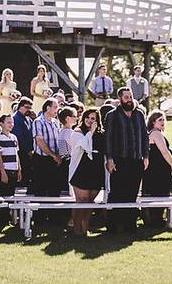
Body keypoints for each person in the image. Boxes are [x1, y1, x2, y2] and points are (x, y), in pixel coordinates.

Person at [104, 87, 150, 232]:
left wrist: (146, 156)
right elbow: (108, 139)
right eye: (126, 97)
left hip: (136, 159)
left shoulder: (139, 114)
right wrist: (109, 159)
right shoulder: (112, 115)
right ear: (120, 99)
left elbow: (144, 136)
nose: (129, 100)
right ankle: (113, 225)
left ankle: (130, 224)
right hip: (119, 160)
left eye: (130, 97)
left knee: (132, 192)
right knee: (117, 192)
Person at [69, 108, 106, 236]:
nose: (90, 121)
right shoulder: (78, 132)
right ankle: (76, 227)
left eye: (93, 118)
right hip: (81, 168)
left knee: (90, 201)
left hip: (96, 168)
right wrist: (91, 132)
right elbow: (84, 146)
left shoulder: (101, 133)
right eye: (88, 118)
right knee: (82, 199)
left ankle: (85, 227)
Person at [140, 110, 172, 227]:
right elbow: (165, 152)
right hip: (158, 170)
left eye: (163, 120)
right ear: (152, 122)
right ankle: (156, 220)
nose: (162, 122)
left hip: (154, 170)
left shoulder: (152, 133)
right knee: (160, 193)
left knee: (155, 193)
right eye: (159, 120)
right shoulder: (156, 134)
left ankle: (155, 219)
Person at [30, 98, 62, 197]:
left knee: (54, 190)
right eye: (55, 107)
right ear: (48, 108)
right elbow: (40, 141)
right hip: (42, 160)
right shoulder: (38, 121)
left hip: (54, 160)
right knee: (41, 191)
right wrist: (53, 155)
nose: (58, 109)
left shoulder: (55, 122)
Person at [0, 114, 22, 197]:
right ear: (2, 124)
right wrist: (3, 172)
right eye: (8, 122)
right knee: (3, 197)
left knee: (11, 196)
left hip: (14, 171)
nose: (11, 124)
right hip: (5, 171)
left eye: (12, 122)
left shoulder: (14, 137)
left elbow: (16, 154)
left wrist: (19, 169)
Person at [12, 97, 34, 188]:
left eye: (30, 108)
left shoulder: (28, 118)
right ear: (20, 107)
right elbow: (19, 137)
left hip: (28, 151)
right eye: (27, 107)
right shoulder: (16, 118)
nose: (29, 110)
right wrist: (27, 150)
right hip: (21, 151)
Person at [56, 106, 79, 192]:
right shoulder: (69, 132)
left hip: (63, 161)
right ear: (68, 118)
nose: (77, 118)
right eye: (74, 116)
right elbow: (76, 147)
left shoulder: (61, 130)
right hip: (68, 161)